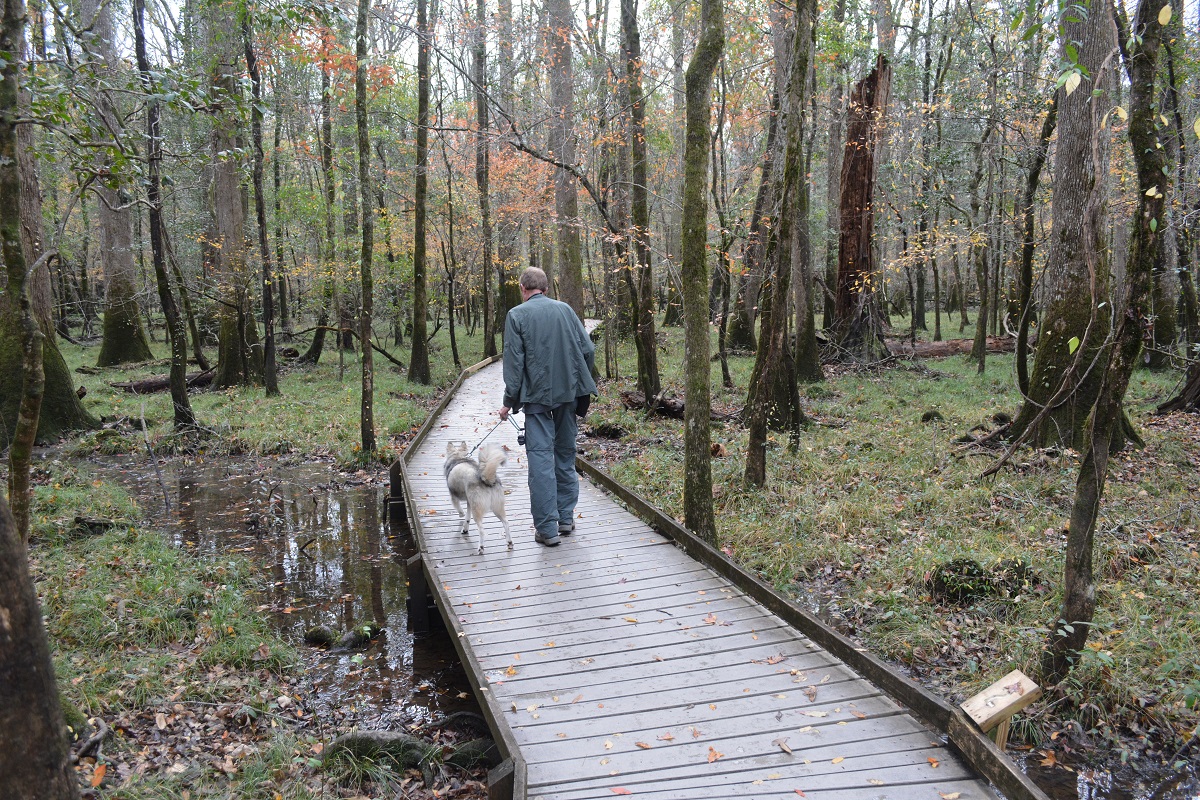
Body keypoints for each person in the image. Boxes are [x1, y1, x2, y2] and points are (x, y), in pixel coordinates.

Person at [498, 268, 597, 547]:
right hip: (568, 396)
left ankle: (547, 529)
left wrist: (508, 402)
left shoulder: (516, 315)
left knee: (541, 461)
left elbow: (514, 364)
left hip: (537, 400)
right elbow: (588, 350)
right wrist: (576, 379)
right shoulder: (565, 310)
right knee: (565, 455)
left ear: (522, 288)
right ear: (546, 288)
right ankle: (565, 518)